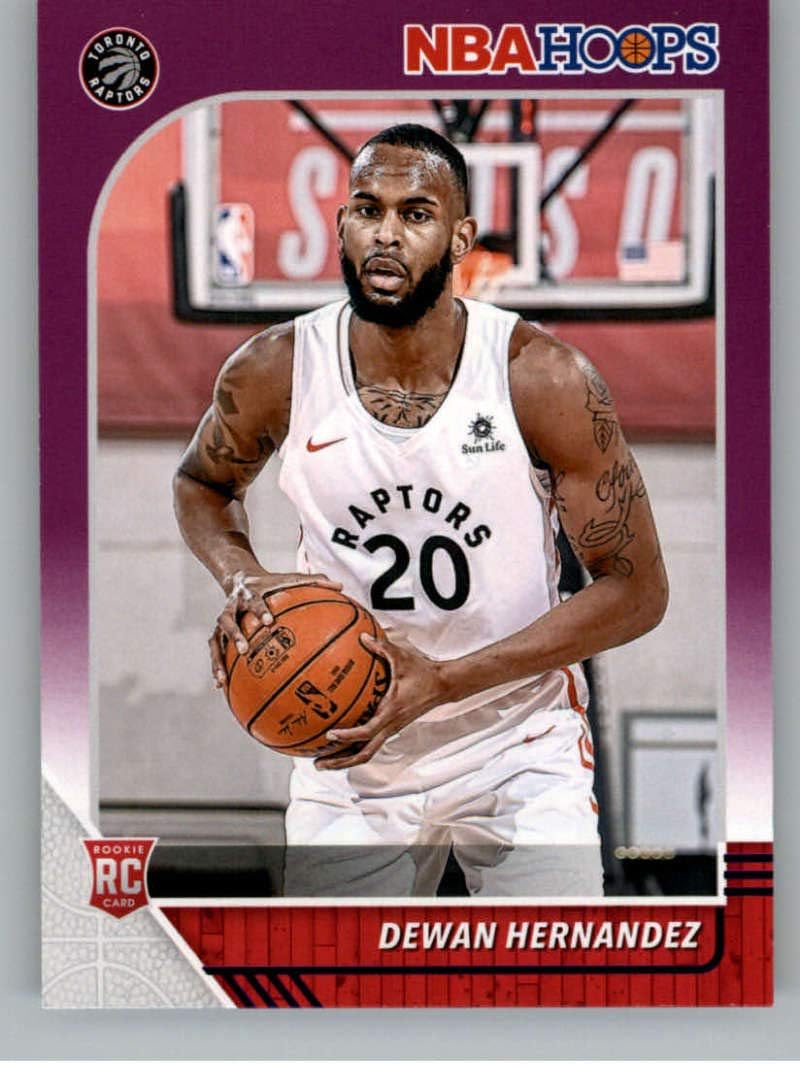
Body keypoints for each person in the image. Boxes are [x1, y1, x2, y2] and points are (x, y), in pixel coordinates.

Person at [173, 124, 668, 898]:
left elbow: (637, 590)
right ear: (342, 222)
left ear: (461, 237)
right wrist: (241, 575)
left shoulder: (543, 378)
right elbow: (201, 484)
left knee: (558, 971)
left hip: (516, 742)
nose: (386, 233)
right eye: (368, 209)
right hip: (349, 742)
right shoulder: (275, 369)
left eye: (416, 214)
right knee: (329, 976)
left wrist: (444, 680)